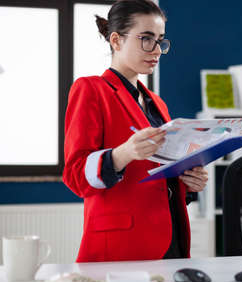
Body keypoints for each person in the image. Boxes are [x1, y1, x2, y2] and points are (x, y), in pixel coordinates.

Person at [63, 0, 208, 262]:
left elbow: (158, 177)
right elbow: (74, 176)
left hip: (171, 239)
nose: (156, 50)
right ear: (116, 41)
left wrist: (189, 183)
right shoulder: (90, 90)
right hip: (122, 243)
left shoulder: (157, 103)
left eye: (160, 40)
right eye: (146, 39)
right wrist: (123, 154)